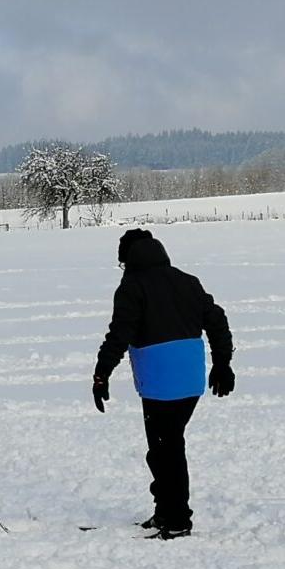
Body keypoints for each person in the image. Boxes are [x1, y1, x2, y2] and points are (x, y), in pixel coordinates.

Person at [92, 228, 234, 540]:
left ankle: (177, 519)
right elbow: (217, 319)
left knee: (165, 450)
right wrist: (223, 363)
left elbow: (120, 333)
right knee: (165, 447)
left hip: (159, 380)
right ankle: (165, 512)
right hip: (190, 379)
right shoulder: (187, 280)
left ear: (127, 260)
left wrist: (102, 373)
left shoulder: (132, 286)